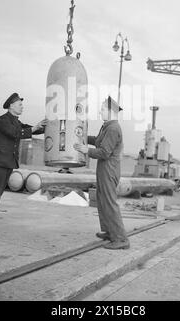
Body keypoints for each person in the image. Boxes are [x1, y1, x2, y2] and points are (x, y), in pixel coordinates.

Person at [0, 93, 47, 234]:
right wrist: (35, 128)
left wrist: (45, 126)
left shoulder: (16, 122)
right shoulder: (3, 121)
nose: (22, 107)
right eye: (20, 104)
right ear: (11, 105)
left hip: (7, 163)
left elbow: (29, 129)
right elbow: (16, 133)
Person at [74, 96, 129, 250]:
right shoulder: (107, 126)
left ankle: (121, 238)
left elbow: (104, 152)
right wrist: (83, 136)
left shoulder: (113, 128)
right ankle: (110, 232)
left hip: (109, 168)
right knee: (102, 200)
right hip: (104, 168)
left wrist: (87, 150)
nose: (100, 111)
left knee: (109, 202)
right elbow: (98, 140)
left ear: (111, 112)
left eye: (103, 109)